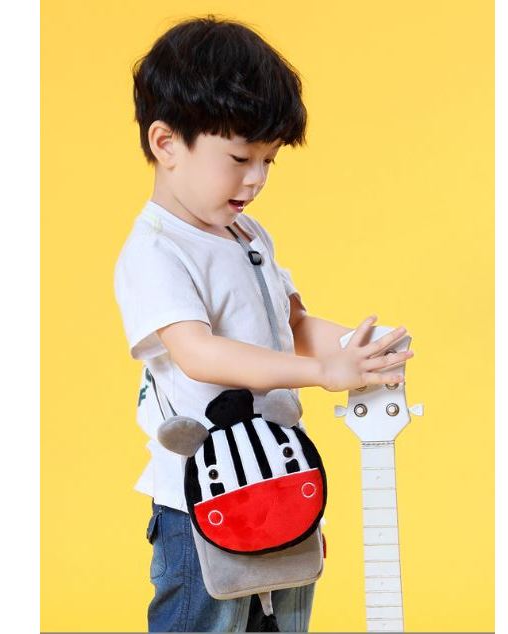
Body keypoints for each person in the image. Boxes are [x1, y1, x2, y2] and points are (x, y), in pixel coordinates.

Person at [114, 14, 413, 633]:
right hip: (204, 497)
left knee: (283, 620)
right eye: (240, 158)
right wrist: (322, 372)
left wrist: (360, 350)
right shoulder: (155, 251)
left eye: (269, 160)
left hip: (280, 479)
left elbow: (292, 322)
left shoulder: (247, 234)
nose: (256, 178)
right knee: (206, 620)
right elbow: (197, 352)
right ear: (166, 143)